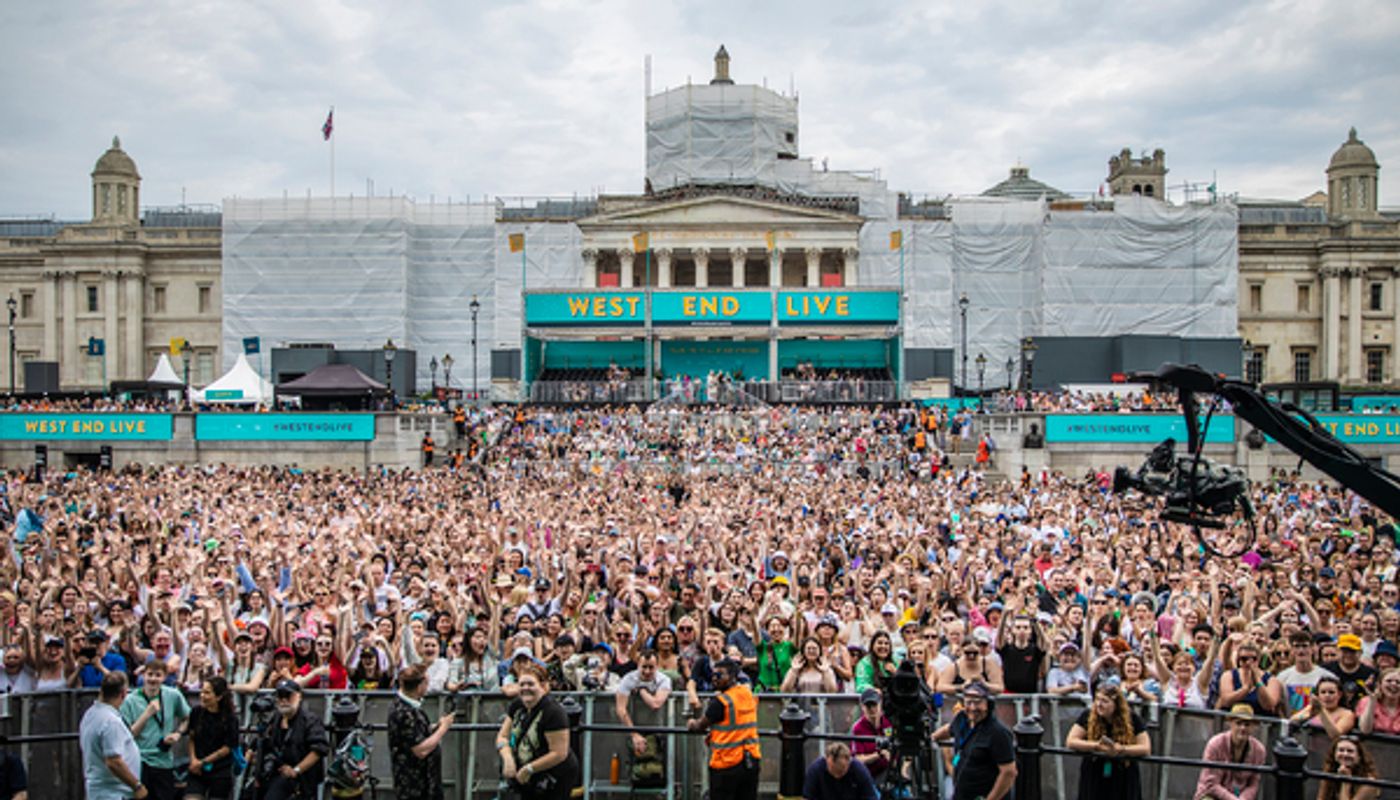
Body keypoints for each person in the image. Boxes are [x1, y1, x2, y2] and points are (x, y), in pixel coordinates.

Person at [495, 662, 578, 800]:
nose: (525, 688)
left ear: (544, 687)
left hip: (554, 776)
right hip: (525, 775)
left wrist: (530, 768)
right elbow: (502, 736)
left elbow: (559, 753)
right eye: (522, 684)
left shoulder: (554, 712)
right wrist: (507, 757)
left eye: (530, 684)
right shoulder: (517, 706)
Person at [687, 658, 760, 800]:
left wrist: (691, 723)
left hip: (726, 764)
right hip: (751, 761)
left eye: (720, 675)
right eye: (713, 675)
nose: (715, 678)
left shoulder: (721, 702)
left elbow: (700, 726)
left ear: (732, 677)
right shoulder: (747, 694)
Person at [119, 659, 190, 800]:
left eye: (157, 675)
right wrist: (146, 714)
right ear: (143, 675)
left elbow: (188, 717)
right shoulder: (130, 700)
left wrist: (178, 734)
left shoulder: (173, 695)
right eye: (150, 674)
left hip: (163, 761)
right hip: (139, 760)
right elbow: (128, 735)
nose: (153, 679)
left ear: (164, 677)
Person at [932, 682, 1016, 800]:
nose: (972, 707)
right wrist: (933, 737)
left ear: (988, 703)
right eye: (968, 702)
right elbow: (949, 729)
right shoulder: (961, 719)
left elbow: (1009, 772)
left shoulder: (998, 732)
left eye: (977, 702)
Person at [1065, 683, 1151, 800]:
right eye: (1097, 700)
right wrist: (1096, 746)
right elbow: (1071, 741)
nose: (1099, 705)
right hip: (1095, 772)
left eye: (1105, 701)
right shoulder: (1088, 715)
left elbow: (1145, 748)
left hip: (1123, 774)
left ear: (1116, 704)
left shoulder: (1132, 718)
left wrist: (1121, 749)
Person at [252, 679, 330, 800]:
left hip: (301, 777)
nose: (284, 700)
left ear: (299, 696)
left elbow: (318, 750)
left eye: (288, 696)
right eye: (280, 696)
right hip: (276, 771)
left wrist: (296, 770)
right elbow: (264, 743)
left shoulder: (309, 720)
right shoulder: (276, 718)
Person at [388, 663, 456, 800]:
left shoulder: (408, 706)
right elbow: (420, 750)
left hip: (427, 782)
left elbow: (414, 734)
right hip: (414, 786)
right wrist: (443, 729)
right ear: (420, 686)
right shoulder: (404, 712)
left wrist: (435, 727)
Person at [81, 672, 147, 799]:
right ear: (123, 694)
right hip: (112, 792)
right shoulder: (111, 722)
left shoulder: (90, 714)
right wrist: (136, 785)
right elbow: (113, 761)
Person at [1194, 704, 1267, 800]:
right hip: (1211, 795)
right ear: (1230, 723)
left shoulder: (1259, 750)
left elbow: (1254, 784)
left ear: (1253, 726)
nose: (1243, 728)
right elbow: (1210, 784)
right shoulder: (1215, 744)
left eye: (1247, 724)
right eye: (1238, 723)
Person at [184, 676, 239, 800]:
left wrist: (204, 762)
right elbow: (191, 737)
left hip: (219, 769)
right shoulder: (196, 712)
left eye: (207, 693)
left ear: (218, 697)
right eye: (202, 691)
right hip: (197, 768)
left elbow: (228, 747)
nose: (202, 696)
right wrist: (193, 760)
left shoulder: (230, 719)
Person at [802, 741, 879, 800]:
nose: (837, 776)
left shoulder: (859, 770)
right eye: (833, 770)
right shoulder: (815, 770)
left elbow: (871, 797)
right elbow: (808, 797)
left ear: (849, 762)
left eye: (841, 772)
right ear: (827, 760)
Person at [849, 688, 892, 784]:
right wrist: (878, 755)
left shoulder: (888, 723)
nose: (872, 709)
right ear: (862, 707)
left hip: (889, 772)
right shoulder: (858, 728)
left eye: (874, 705)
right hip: (867, 776)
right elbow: (857, 759)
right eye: (868, 706)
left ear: (880, 704)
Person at [1316, 736, 1379, 800]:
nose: (1345, 754)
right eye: (1341, 750)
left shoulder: (1369, 782)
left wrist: (1346, 781)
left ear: (1359, 757)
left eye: (1350, 751)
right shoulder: (1329, 772)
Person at [1358, 667, 1400, 735]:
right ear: (1379, 685)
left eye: (1398, 682)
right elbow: (1365, 730)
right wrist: (1372, 700)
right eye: (1389, 681)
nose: (1393, 684)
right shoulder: (1366, 701)